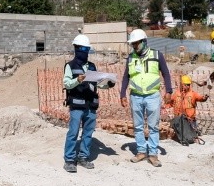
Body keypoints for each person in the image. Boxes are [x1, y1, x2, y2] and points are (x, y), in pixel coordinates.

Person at [120, 29, 173, 167]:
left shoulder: (157, 55)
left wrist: (169, 91)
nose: (134, 46)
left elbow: (166, 74)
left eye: (136, 43)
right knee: (138, 126)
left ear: (144, 42)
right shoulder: (131, 57)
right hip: (136, 96)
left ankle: (153, 154)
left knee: (153, 126)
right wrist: (122, 94)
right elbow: (126, 77)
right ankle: (141, 151)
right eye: (133, 44)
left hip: (152, 96)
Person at [62, 34, 114, 173]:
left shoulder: (92, 66)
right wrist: (77, 80)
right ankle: (69, 159)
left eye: (86, 49)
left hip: (90, 105)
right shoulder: (70, 66)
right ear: (76, 48)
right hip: (77, 106)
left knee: (88, 133)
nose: (84, 51)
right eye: (82, 48)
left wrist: (107, 84)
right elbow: (67, 84)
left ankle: (83, 157)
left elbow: (96, 84)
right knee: (73, 132)